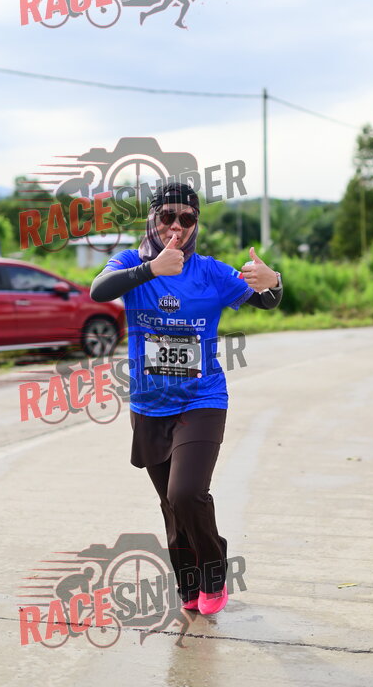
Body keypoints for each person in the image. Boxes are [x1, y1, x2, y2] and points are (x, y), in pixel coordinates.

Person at [90, 182, 283, 615]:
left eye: (187, 218)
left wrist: (274, 282)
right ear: (153, 220)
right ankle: (189, 583)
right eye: (167, 217)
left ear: (196, 224)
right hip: (148, 406)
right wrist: (152, 269)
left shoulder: (211, 272)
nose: (175, 227)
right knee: (170, 506)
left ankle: (214, 572)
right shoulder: (131, 263)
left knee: (186, 493)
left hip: (202, 400)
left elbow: (268, 300)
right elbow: (98, 290)